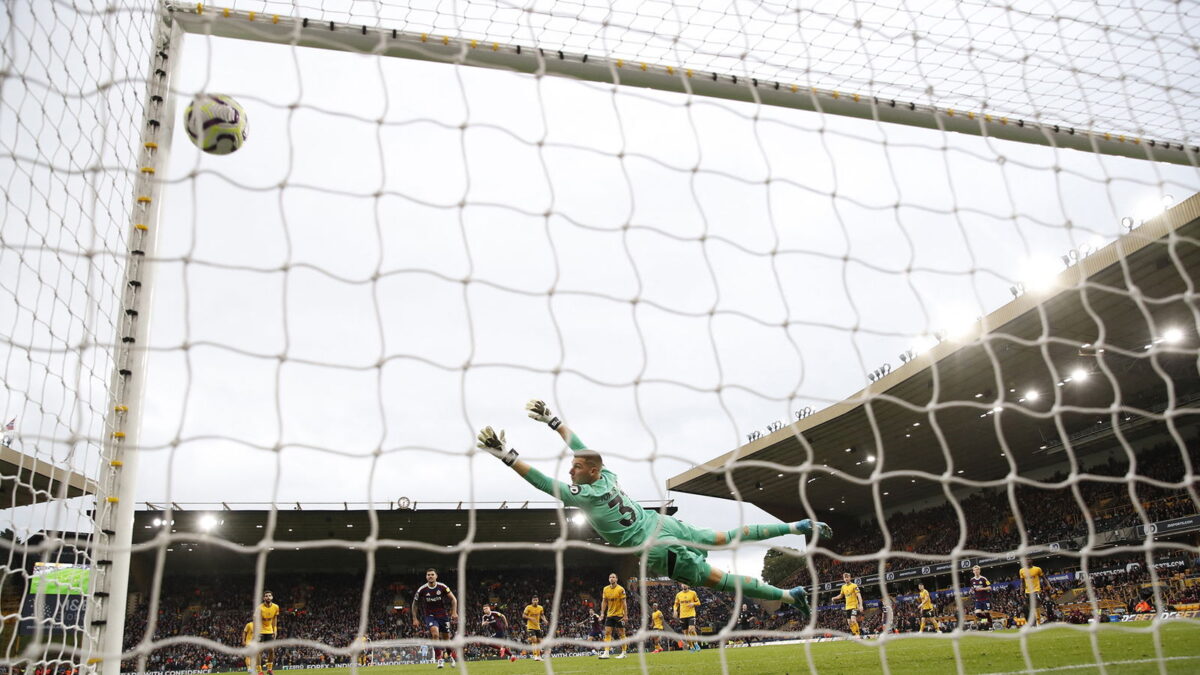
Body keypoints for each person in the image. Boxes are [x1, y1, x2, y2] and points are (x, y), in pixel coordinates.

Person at [475, 400, 831, 612]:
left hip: (657, 548)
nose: (571, 468)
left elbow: (540, 480)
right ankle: (795, 527)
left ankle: (788, 594)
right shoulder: (608, 475)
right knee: (722, 537)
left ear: (591, 471)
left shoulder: (582, 495)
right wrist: (553, 421)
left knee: (720, 581)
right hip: (663, 525)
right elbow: (581, 448)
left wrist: (507, 456)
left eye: (577, 468)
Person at [411, 568, 458, 669]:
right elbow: (414, 604)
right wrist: (415, 618)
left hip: (443, 616)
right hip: (430, 616)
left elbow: (453, 599)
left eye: (432, 574)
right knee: (435, 634)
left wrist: (454, 612)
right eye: (428, 575)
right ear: (426, 577)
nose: (430, 576)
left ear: (436, 576)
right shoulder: (422, 589)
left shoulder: (442, 587)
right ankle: (439, 659)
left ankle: (450, 656)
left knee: (446, 639)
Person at [599, 573, 628, 659]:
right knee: (607, 633)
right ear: (608, 579)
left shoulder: (620, 589)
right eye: (610, 577)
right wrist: (602, 613)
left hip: (619, 615)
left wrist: (625, 615)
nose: (611, 579)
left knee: (621, 633)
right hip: (610, 615)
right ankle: (606, 652)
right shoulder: (605, 589)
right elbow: (604, 602)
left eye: (613, 577)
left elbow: (624, 603)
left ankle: (624, 652)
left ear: (616, 579)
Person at [255, 591, 280, 675]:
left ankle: (269, 669)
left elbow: (275, 619)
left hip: (270, 631)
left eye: (269, 596)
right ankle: (260, 671)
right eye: (266, 596)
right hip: (260, 631)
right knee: (259, 651)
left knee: (271, 650)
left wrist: (275, 630)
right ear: (264, 598)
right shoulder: (259, 608)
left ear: (272, 597)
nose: (268, 597)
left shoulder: (276, 607)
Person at [831, 573, 862, 638]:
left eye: (847, 577)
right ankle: (855, 634)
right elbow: (841, 595)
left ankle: (858, 635)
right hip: (847, 607)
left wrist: (861, 605)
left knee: (853, 619)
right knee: (849, 622)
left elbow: (859, 595)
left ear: (850, 578)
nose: (846, 579)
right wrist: (834, 598)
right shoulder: (843, 587)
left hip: (854, 606)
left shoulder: (854, 585)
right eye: (845, 578)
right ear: (843, 579)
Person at [673, 583, 701, 652]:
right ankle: (691, 647)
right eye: (683, 584)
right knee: (685, 633)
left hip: (691, 614)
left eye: (685, 584)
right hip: (682, 616)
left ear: (688, 585)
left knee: (691, 630)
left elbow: (698, 602)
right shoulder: (678, 594)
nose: (684, 585)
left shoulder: (693, 593)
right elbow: (676, 604)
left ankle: (696, 643)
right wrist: (675, 611)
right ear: (681, 585)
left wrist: (693, 603)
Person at [522, 595, 548, 661]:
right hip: (530, 627)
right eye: (534, 600)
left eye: (536, 600)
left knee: (539, 642)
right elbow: (524, 615)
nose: (535, 601)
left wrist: (544, 620)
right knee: (534, 640)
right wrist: (530, 618)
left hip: (537, 627)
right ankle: (535, 656)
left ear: (538, 600)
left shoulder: (540, 608)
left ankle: (539, 656)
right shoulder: (528, 607)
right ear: (532, 601)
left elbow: (542, 615)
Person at [970, 565, 992, 630]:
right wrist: (971, 590)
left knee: (986, 613)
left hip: (985, 599)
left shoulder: (984, 579)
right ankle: (985, 623)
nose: (976, 571)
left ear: (979, 571)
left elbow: (990, 587)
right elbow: (972, 587)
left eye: (977, 570)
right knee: (978, 614)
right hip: (978, 600)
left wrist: (981, 589)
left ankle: (990, 627)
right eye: (975, 570)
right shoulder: (972, 580)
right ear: (973, 571)